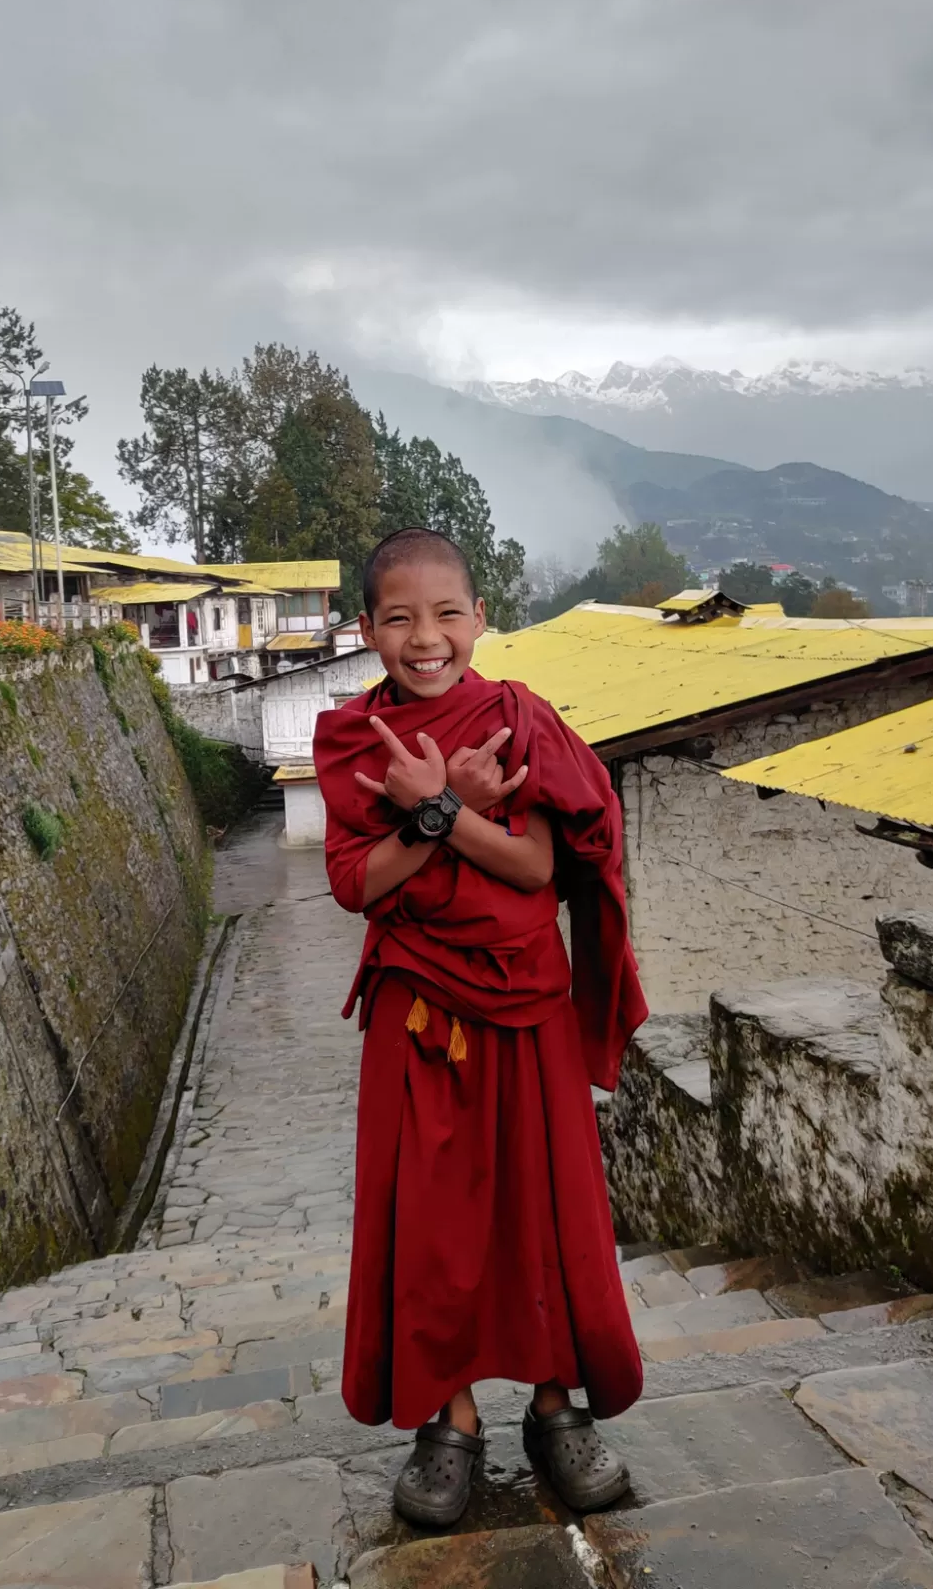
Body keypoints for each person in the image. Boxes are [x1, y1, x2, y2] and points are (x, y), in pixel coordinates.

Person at [313, 526, 648, 1529]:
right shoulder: (348, 740)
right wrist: (444, 810)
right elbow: (351, 885)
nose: (428, 640)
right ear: (367, 628)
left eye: (448, 615)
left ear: (481, 620)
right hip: (415, 1011)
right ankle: (448, 1424)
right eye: (402, 619)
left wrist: (437, 812)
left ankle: (555, 1412)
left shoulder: (518, 718)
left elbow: (537, 867)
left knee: (540, 1210)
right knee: (431, 1227)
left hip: (525, 1005)